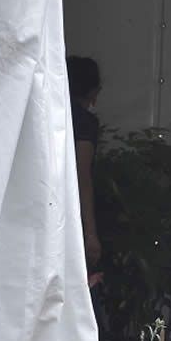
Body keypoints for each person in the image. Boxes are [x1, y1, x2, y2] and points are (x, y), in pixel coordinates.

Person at [66, 56, 102, 270]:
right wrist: (90, 234)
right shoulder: (84, 123)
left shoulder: (46, 114)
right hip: (69, 213)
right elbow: (82, 177)